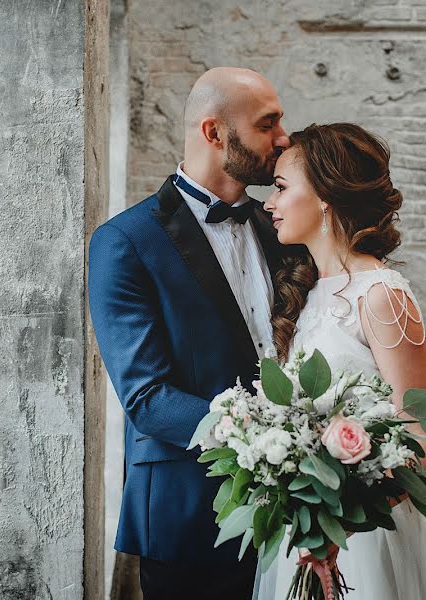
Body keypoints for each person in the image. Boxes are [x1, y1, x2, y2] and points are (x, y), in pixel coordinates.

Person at [88, 67, 293, 598]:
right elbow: (147, 397)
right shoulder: (125, 242)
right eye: (268, 124)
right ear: (214, 133)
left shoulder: (283, 226)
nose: (284, 138)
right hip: (190, 508)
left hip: (298, 506)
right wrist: (276, 442)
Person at [255, 122, 426, 599]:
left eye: (280, 188)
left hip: (374, 533)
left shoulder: (381, 295)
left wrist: (344, 523)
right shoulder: (309, 290)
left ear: (324, 195)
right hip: (312, 530)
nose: (269, 204)